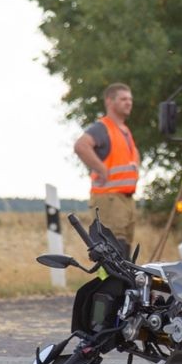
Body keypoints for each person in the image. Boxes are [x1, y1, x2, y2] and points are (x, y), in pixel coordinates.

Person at [73, 83, 139, 252]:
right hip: (109, 199)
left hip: (125, 199)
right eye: (123, 99)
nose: (129, 103)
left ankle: (119, 280)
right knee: (114, 251)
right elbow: (81, 146)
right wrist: (102, 169)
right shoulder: (103, 128)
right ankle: (109, 280)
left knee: (124, 253)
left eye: (130, 99)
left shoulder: (124, 130)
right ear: (109, 102)